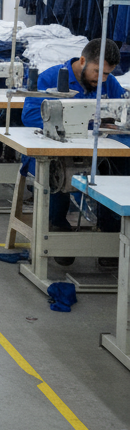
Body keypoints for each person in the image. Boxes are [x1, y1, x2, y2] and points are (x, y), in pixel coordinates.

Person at [22, 38, 127, 267]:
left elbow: (121, 112)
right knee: (61, 168)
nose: (103, 79)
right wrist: (88, 123)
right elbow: (29, 116)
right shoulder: (50, 78)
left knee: (122, 165)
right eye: (98, 72)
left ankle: (110, 231)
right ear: (82, 60)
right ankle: (57, 226)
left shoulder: (108, 83)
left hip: (97, 153)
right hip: (54, 150)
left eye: (108, 74)